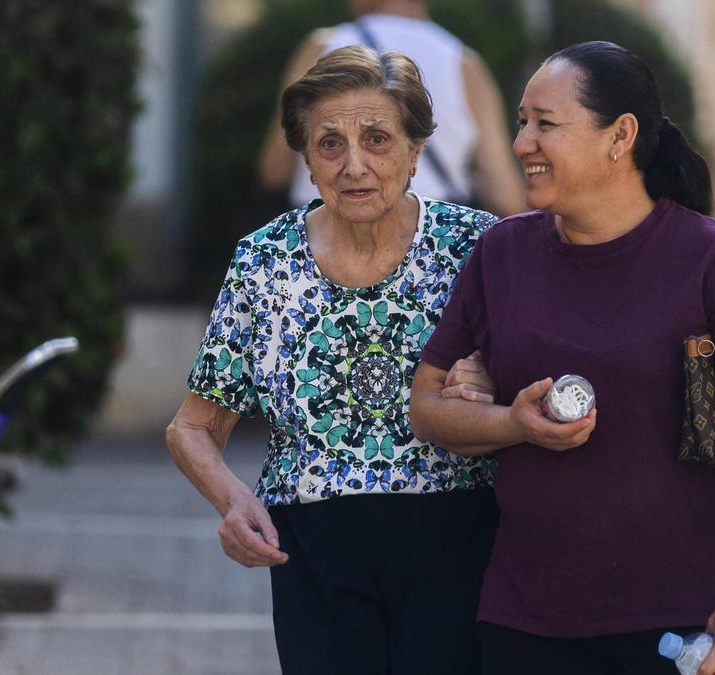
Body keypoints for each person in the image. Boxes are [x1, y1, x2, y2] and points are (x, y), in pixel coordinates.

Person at [410, 41, 715, 675]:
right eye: (521, 122)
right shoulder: (500, 255)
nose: (521, 144)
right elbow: (426, 408)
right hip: (525, 623)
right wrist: (511, 423)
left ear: (620, 136)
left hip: (683, 626)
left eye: (545, 124)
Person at [167, 45, 501, 675]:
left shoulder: (476, 245)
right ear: (307, 160)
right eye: (329, 145)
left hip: (456, 539)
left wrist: (492, 380)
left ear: (416, 150)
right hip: (315, 552)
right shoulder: (265, 262)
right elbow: (192, 427)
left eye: (377, 139)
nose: (355, 166)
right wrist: (235, 503)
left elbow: (535, 376)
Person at [257, 0, 524, 217]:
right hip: (431, 242)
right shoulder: (465, 64)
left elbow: (274, 170)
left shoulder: (322, 47)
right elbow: (508, 198)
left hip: (324, 235)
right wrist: (471, 181)